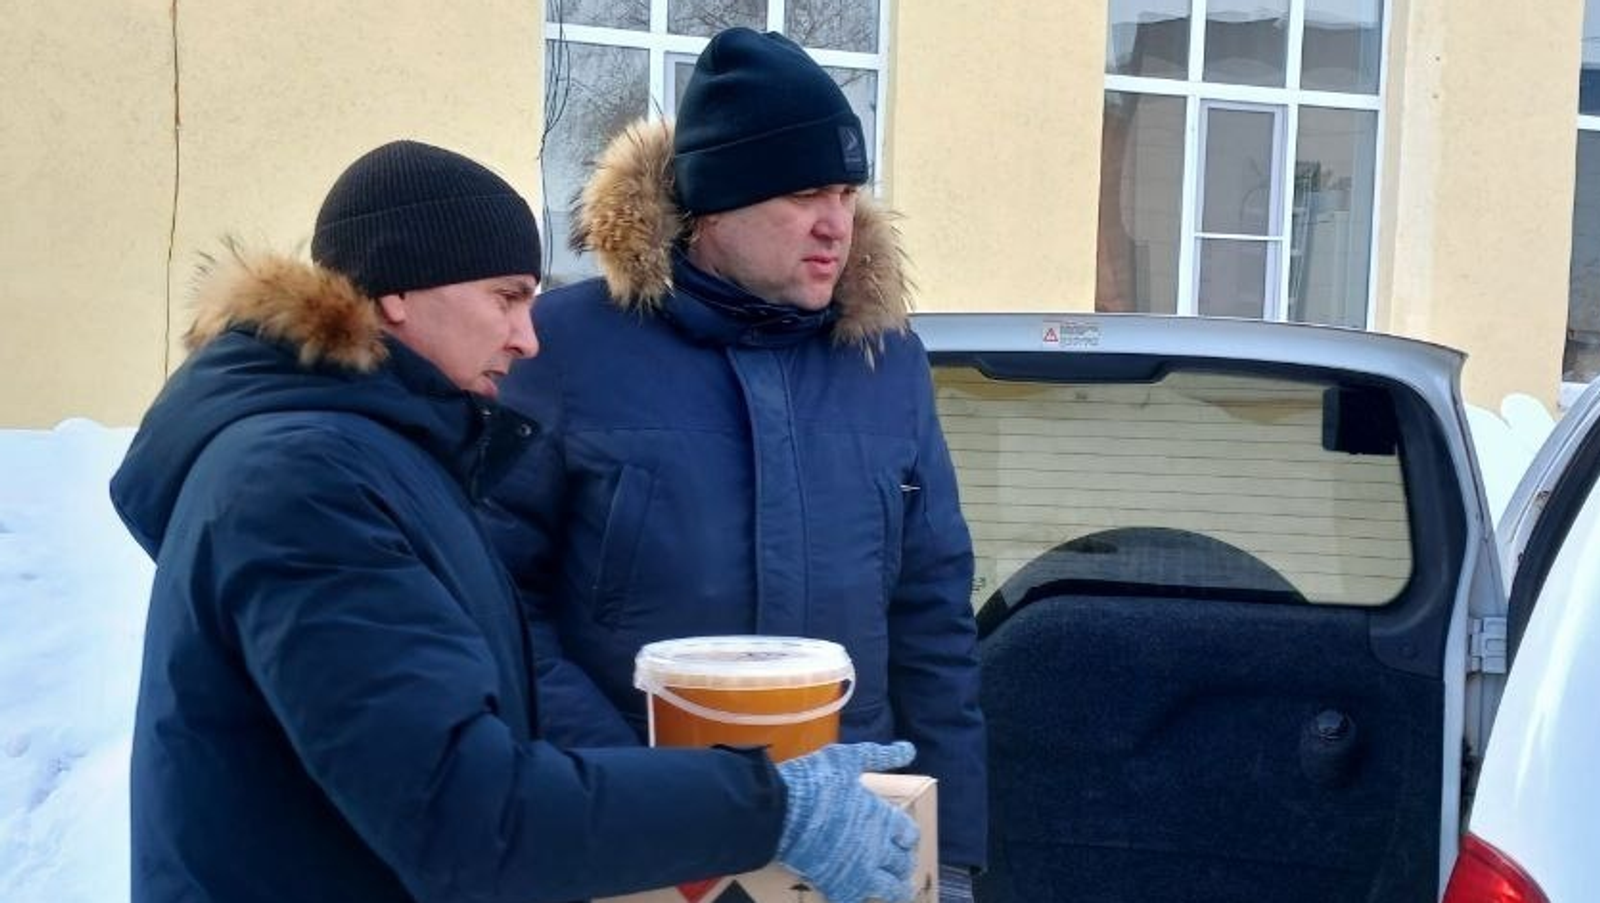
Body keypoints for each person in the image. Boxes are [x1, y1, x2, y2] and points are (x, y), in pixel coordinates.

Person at [108, 139, 920, 903]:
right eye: (507, 298)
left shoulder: (383, 455)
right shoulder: (304, 482)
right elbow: (465, 814)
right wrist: (769, 805)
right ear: (397, 291)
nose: (529, 339)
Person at [483, 27, 986, 899]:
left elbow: (932, 616)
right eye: (803, 193)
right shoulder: (561, 349)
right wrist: (629, 776)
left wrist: (955, 853)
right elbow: (497, 599)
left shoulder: (885, 360)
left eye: (846, 192)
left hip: (849, 838)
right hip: (628, 834)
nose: (836, 223)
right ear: (713, 208)